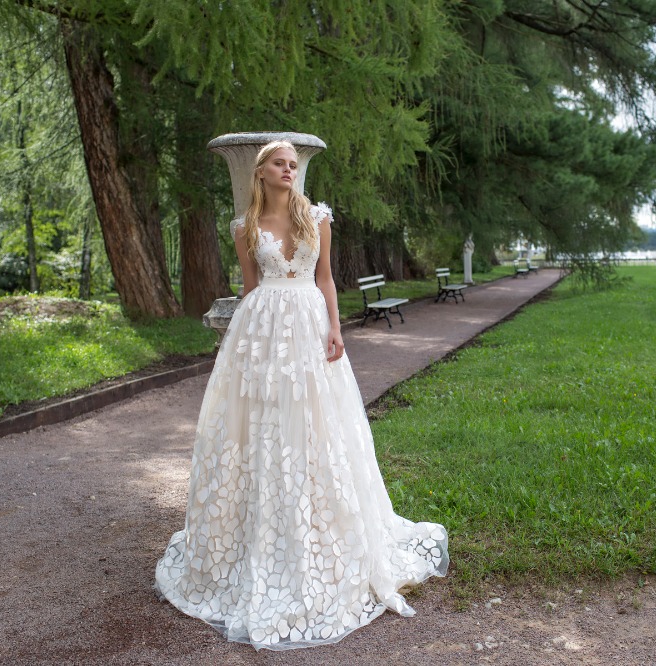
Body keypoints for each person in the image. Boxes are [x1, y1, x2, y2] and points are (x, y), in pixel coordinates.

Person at [154, 140, 448, 650]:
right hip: (263, 330)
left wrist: (336, 327)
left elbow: (327, 278)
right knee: (265, 426)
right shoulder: (244, 227)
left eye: (293, 164)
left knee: (317, 425)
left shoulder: (318, 217)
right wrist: (239, 348)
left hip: (311, 326)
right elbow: (250, 287)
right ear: (261, 172)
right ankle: (259, 532)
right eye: (279, 163)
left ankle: (323, 528)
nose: (288, 170)